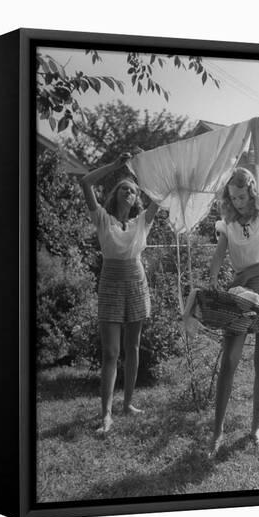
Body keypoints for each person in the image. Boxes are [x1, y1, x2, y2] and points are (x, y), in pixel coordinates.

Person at [209, 167, 259, 455]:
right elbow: (219, 256)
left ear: (252, 192)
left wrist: (247, 274)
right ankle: (217, 433)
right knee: (229, 361)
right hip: (239, 293)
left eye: (242, 196)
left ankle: (255, 429)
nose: (238, 202)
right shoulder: (228, 222)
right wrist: (213, 278)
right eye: (233, 197)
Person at [80, 153, 159, 434]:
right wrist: (116, 166)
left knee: (133, 347)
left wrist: (142, 168)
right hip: (111, 284)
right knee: (111, 352)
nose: (129, 191)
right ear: (116, 194)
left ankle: (128, 403)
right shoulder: (102, 219)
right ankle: (106, 415)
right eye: (124, 188)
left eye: (133, 190)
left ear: (137, 198)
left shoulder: (141, 222)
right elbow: (86, 182)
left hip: (136, 282)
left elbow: (160, 195)